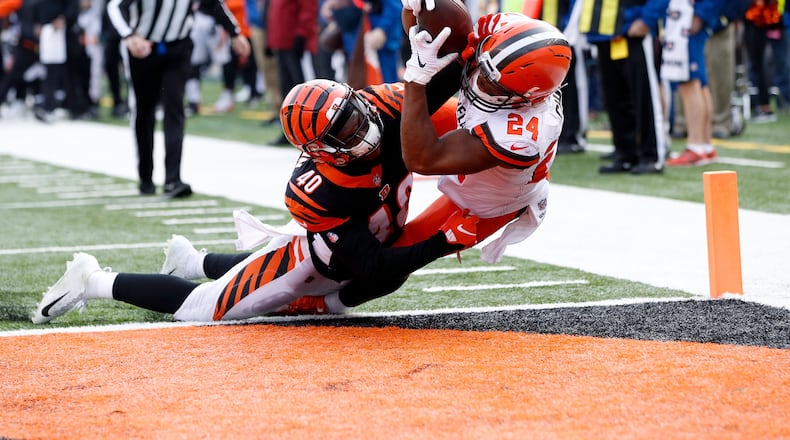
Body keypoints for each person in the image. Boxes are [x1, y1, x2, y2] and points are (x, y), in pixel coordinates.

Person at [32, 61, 476, 324]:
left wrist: (479, 54)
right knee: (202, 307)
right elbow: (372, 265)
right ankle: (93, 280)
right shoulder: (322, 190)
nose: (362, 129)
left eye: (355, 115)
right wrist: (442, 243)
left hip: (354, 249)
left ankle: (192, 261)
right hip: (312, 264)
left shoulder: (384, 107)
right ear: (321, 151)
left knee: (374, 282)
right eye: (344, 131)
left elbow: (445, 81)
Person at [106, 0, 250, 197]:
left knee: (174, 106)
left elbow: (213, 3)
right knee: (144, 111)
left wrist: (235, 33)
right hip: (143, 48)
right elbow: (115, 6)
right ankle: (145, 177)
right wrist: (129, 35)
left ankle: (173, 180)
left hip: (177, 48)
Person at [579, 0, 668, 174]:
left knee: (644, 97)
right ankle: (625, 154)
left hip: (633, 30)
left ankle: (652, 156)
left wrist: (647, 19)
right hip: (603, 34)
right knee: (615, 98)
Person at [662, 0, 723, 167]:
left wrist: (701, 14)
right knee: (700, 84)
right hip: (685, 17)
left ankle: (695, 146)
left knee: (689, 83)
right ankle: (704, 144)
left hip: (686, 18)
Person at [266, 0, 318, 144]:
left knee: (303, 93)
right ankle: (291, 131)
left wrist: (302, 34)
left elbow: (308, 8)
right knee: (287, 90)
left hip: (294, 41)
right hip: (283, 41)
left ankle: (308, 131)